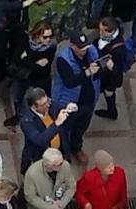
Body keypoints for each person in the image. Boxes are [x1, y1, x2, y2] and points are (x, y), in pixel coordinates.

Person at [51, 33, 102, 164]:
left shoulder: (92, 51)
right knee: (64, 128)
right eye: (81, 48)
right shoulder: (63, 59)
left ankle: (76, 147)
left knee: (81, 127)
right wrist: (87, 72)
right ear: (72, 45)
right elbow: (69, 81)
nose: (84, 50)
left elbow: (98, 71)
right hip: (69, 101)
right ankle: (63, 152)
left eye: (86, 47)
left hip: (88, 99)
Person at [4, 20, 57, 127]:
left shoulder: (51, 46)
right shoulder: (26, 41)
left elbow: (44, 67)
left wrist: (26, 58)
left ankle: (46, 118)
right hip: (24, 75)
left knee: (46, 98)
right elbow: (16, 58)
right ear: (37, 35)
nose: (48, 40)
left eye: (50, 36)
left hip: (42, 77)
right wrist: (34, 63)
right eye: (45, 37)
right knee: (18, 97)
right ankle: (17, 117)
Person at [17, 87, 69, 175]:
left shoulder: (49, 105)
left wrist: (69, 107)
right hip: (40, 156)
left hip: (59, 150)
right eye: (43, 104)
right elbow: (40, 140)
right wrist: (57, 123)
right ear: (34, 106)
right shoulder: (27, 121)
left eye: (47, 100)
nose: (48, 105)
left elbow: (60, 106)